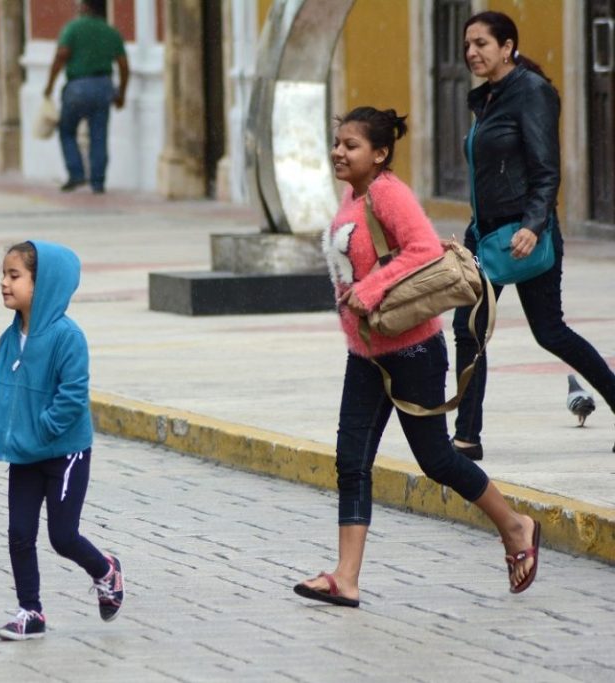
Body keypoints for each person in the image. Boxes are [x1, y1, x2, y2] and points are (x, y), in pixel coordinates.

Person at [293, 106, 541, 607]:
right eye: (337, 142)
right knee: (351, 461)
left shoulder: (387, 192)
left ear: (379, 154)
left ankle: (516, 525)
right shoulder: (352, 194)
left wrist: (373, 288)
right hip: (366, 354)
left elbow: (425, 249)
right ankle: (346, 577)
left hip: (412, 351)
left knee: (437, 460)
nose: (339, 152)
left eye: (352, 145)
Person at [452, 10, 615, 460]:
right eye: (468, 45)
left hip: (525, 235)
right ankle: (467, 438)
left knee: (549, 331)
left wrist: (532, 223)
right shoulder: (486, 98)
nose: (471, 52)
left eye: (482, 44)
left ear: (507, 47)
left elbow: (546, 170)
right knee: (469, 328)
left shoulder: (532, 92)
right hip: (483, 237)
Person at [0, 240, 123, 641]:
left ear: (43, 285)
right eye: (4, 275)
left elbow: (73, 397)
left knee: (62, 536)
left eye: (14, 275)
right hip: (25, 453)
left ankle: (105, 569)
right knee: (19, 533)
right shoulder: (10, 336)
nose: (4, 283)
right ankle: (31, 611)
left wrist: (41, 429)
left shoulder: (67, 337)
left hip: (64, 452)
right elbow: (4, 390)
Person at [43, 0, 130, 194]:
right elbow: (123, 65)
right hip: (103, 86)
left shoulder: (73, 28)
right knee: (99, 135)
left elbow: (61, 55)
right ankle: (98, 182)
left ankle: (76, 173)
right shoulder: (111, 32)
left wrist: (49, 85)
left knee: (66, 130)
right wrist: (121, 93)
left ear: (85, 7)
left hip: (77, 86)